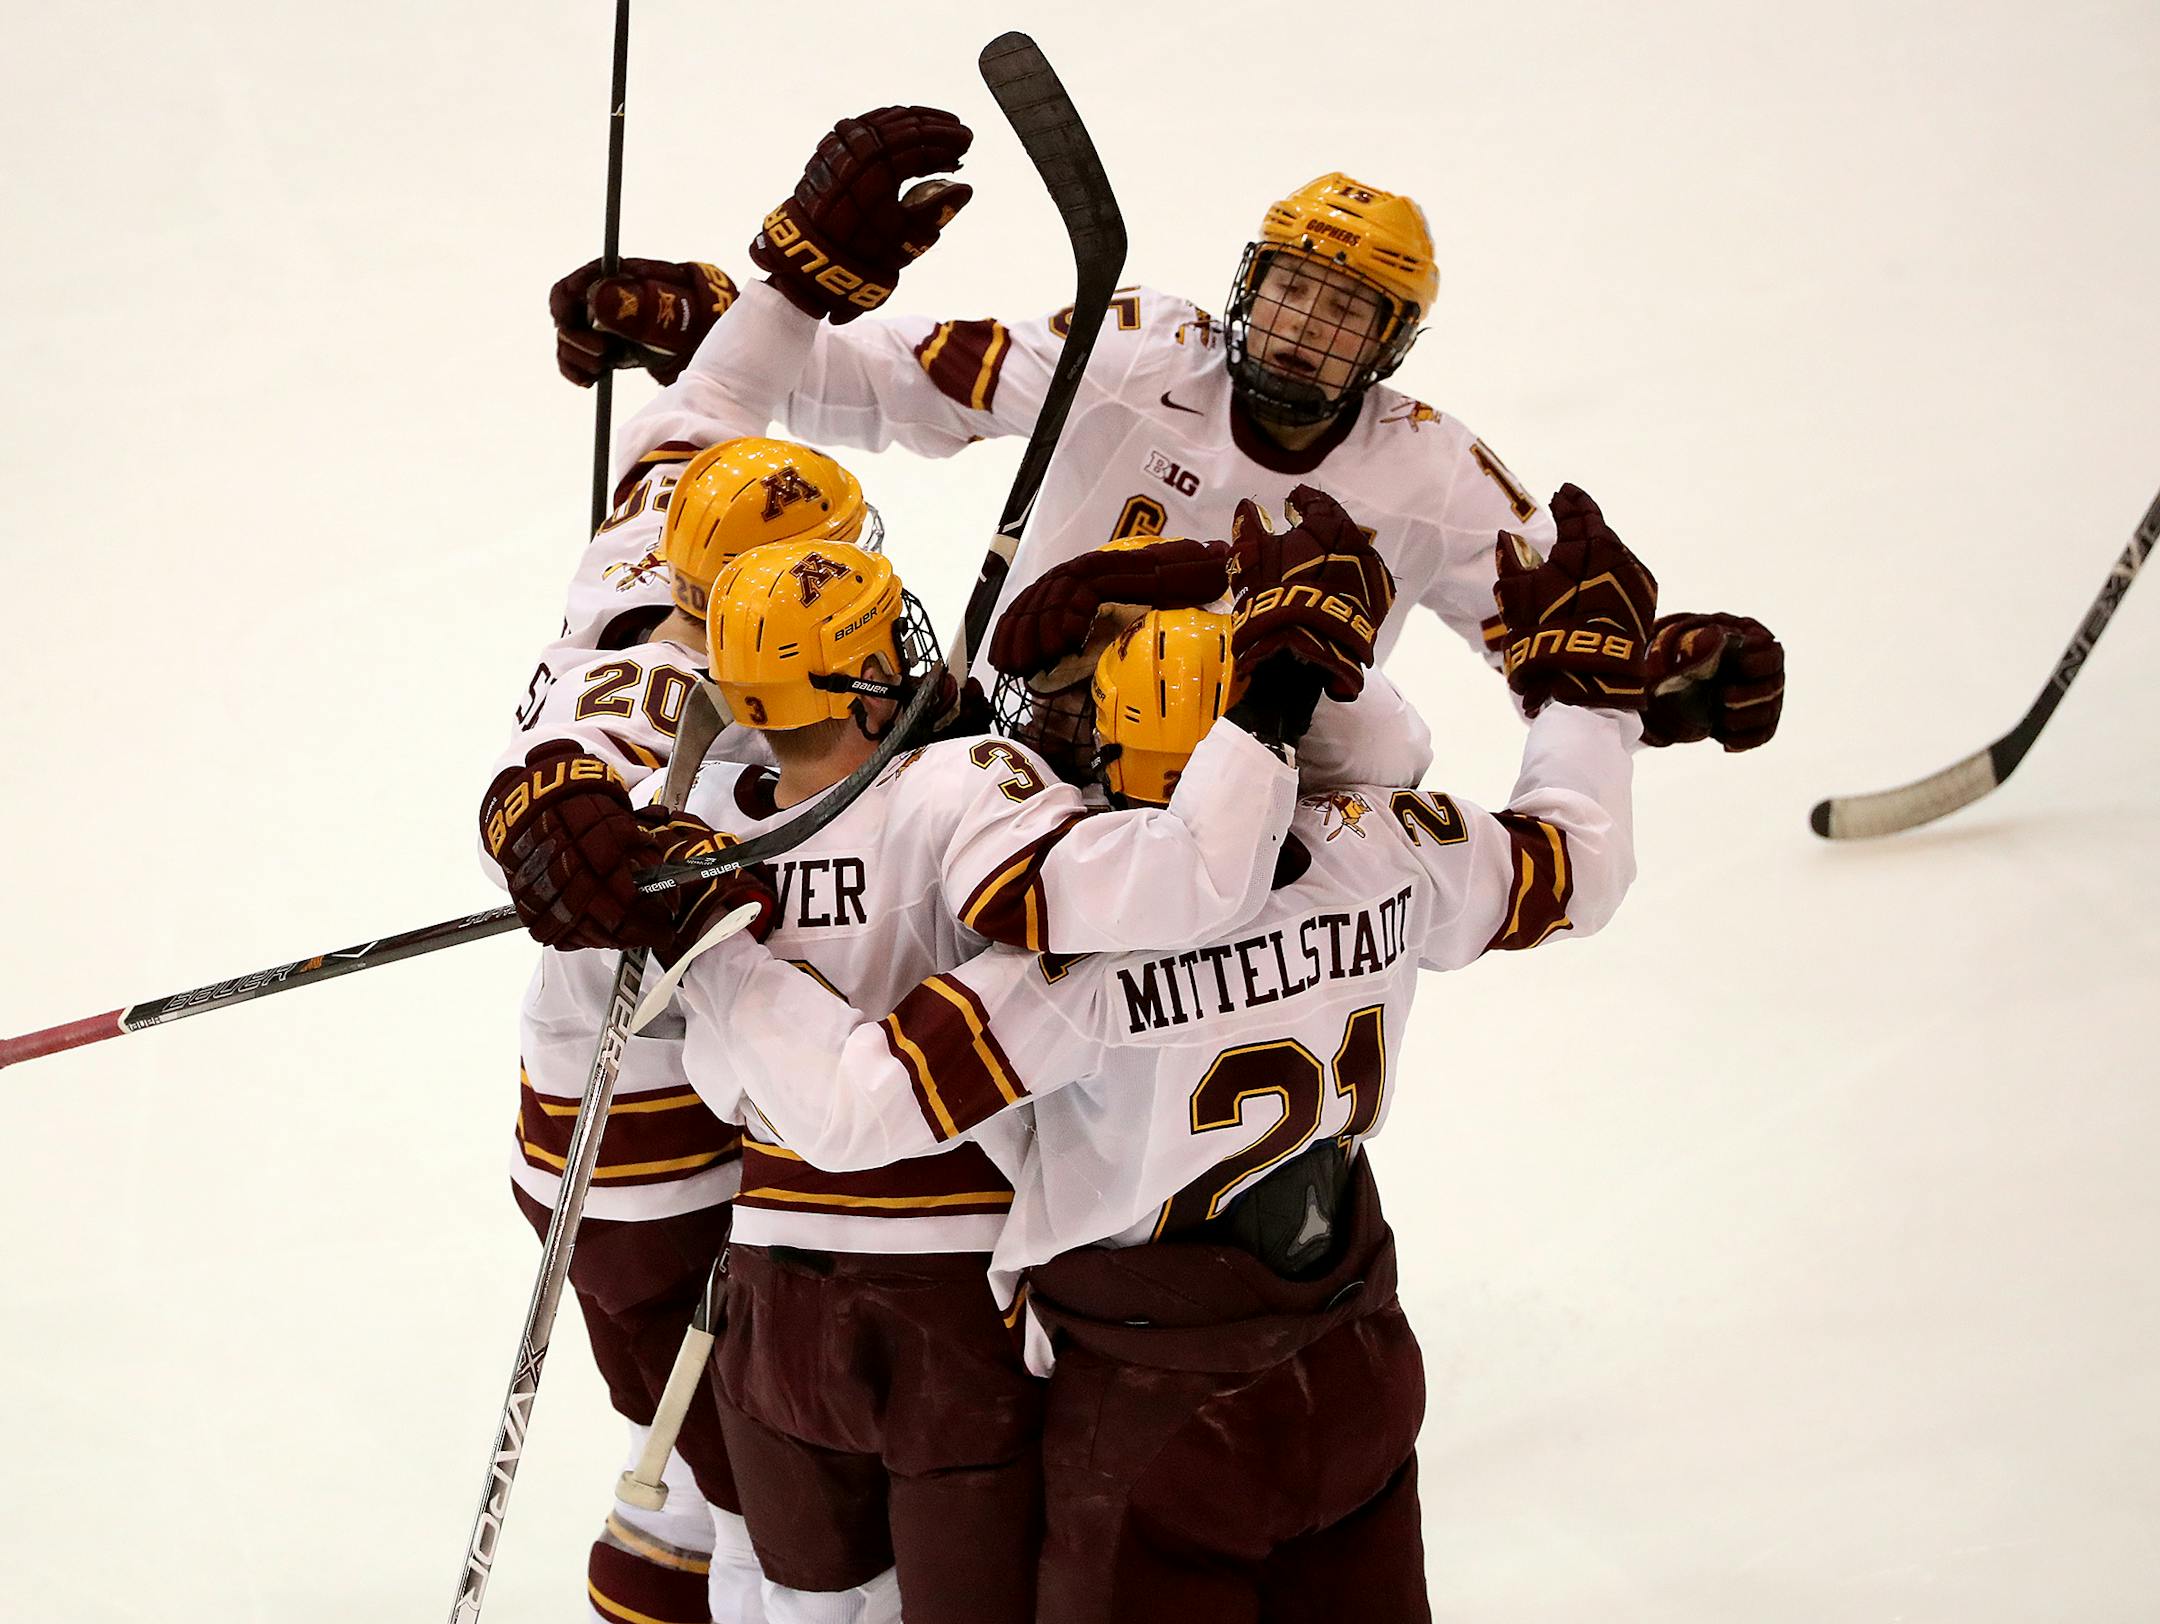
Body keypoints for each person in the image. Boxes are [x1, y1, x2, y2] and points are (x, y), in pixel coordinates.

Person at [615, 482, 1665, 1622]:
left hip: (1160, 1409)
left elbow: (851, 1105)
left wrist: (718, 953)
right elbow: (1577, 864)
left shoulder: (1079, 965)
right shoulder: (1389, 847)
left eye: (1081, 719)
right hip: (1356, 1350)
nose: (1053, 736)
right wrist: (1584, 703)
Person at [499, 503, 1396, 1624]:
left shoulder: (698, 827)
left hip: (771, 1301)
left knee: (776, 1591)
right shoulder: (963, 781)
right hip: (950, 1306)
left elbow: (579, 772)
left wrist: (549, 811)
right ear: (860, 673)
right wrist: (1257, 691)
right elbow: (1190, 879)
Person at [547, 106, 1784, 756]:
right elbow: (881, 382)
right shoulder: (1138, 348)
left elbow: (1558, 639)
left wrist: (1662, 670)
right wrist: (710, 316)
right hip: (1005, 760)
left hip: (1226, 822)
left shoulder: (1438, 476)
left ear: (1390, 346)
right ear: (1250, 284)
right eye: (1293, 287)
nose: (1306, 328)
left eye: (1346, 313)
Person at [480, 432, 896, 1624]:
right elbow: (577, 743)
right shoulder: (676, 678)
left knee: (691, 1440)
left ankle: (662, 1550)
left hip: (625, 1122)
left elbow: (695, 410)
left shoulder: (659, 527)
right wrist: (548, 816)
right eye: (819, 565)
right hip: (645, 1136)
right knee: (771, 1498)